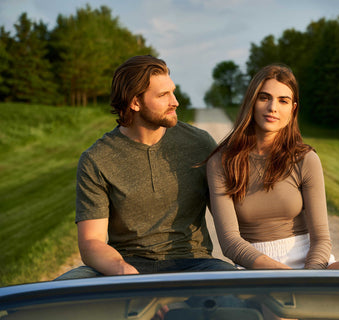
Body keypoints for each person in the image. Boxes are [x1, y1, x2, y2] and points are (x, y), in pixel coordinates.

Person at [57, 55, 235, 280]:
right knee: (59, 292)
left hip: (194, 263)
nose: (175, 101)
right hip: (126, 264)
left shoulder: (200, 143)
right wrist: (124, 272)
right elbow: (91, 242)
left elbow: (232, 214)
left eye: (173, 91)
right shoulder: (96, 159)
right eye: (163, 95)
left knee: (237, 297)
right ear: (135, 103)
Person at [206, 64, 339, 271]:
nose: (273, 108)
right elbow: (230, 243)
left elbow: (321, 238)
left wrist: (309, 277)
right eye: (264, 98)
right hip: (254, 268)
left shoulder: (305, 159)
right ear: (252, 102)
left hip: (309, 264)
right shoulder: (222, 162)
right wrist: (284, 276)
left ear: (292, 109)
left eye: (283, 101)